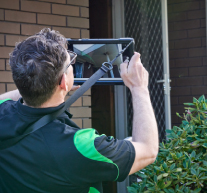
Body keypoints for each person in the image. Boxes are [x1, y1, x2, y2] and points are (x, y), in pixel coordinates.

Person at [0, 28, 158, 193]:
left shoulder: (2, 113)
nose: (73, 67)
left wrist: (43, 83)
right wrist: (139, 88)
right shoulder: (82, 146)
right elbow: (148, 150)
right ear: (63, 81)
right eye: (71, 63)